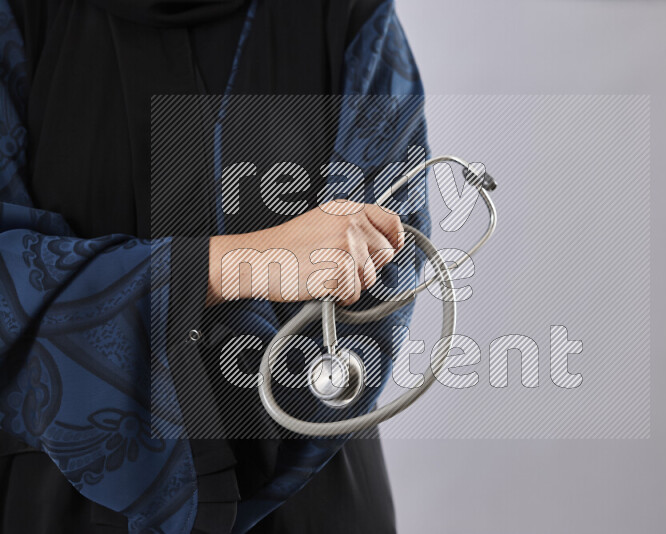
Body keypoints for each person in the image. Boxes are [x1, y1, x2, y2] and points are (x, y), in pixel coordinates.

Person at [0, 0, 430, 532]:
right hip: (64, 491)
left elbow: (380, 262)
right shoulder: (16, 17)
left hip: (300, 484)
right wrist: (234, 265)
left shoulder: (347, 15)